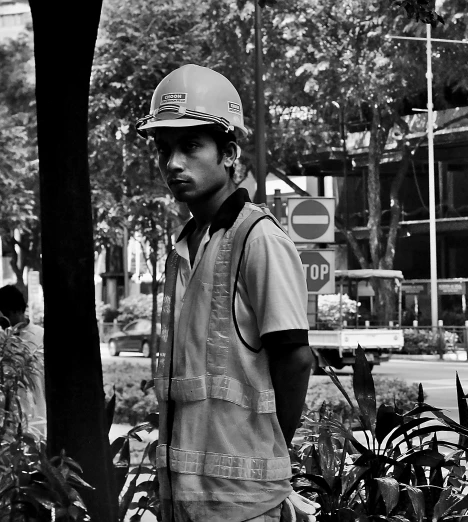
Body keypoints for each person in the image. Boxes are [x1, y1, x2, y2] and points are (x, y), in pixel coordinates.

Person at [136, 64, 315, 522]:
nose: (173, 163)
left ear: (230, 153)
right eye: (164, 149)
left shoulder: (258, 239)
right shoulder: (185, 246)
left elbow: (294, 358)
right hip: (186, 503)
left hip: (246, 505)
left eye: (191, 145)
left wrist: (271, 451)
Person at [0, 285, 46, 437]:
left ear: (18, 311)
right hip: (4, 424)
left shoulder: (41, 337)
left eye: (4, 315)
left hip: (37, 422)